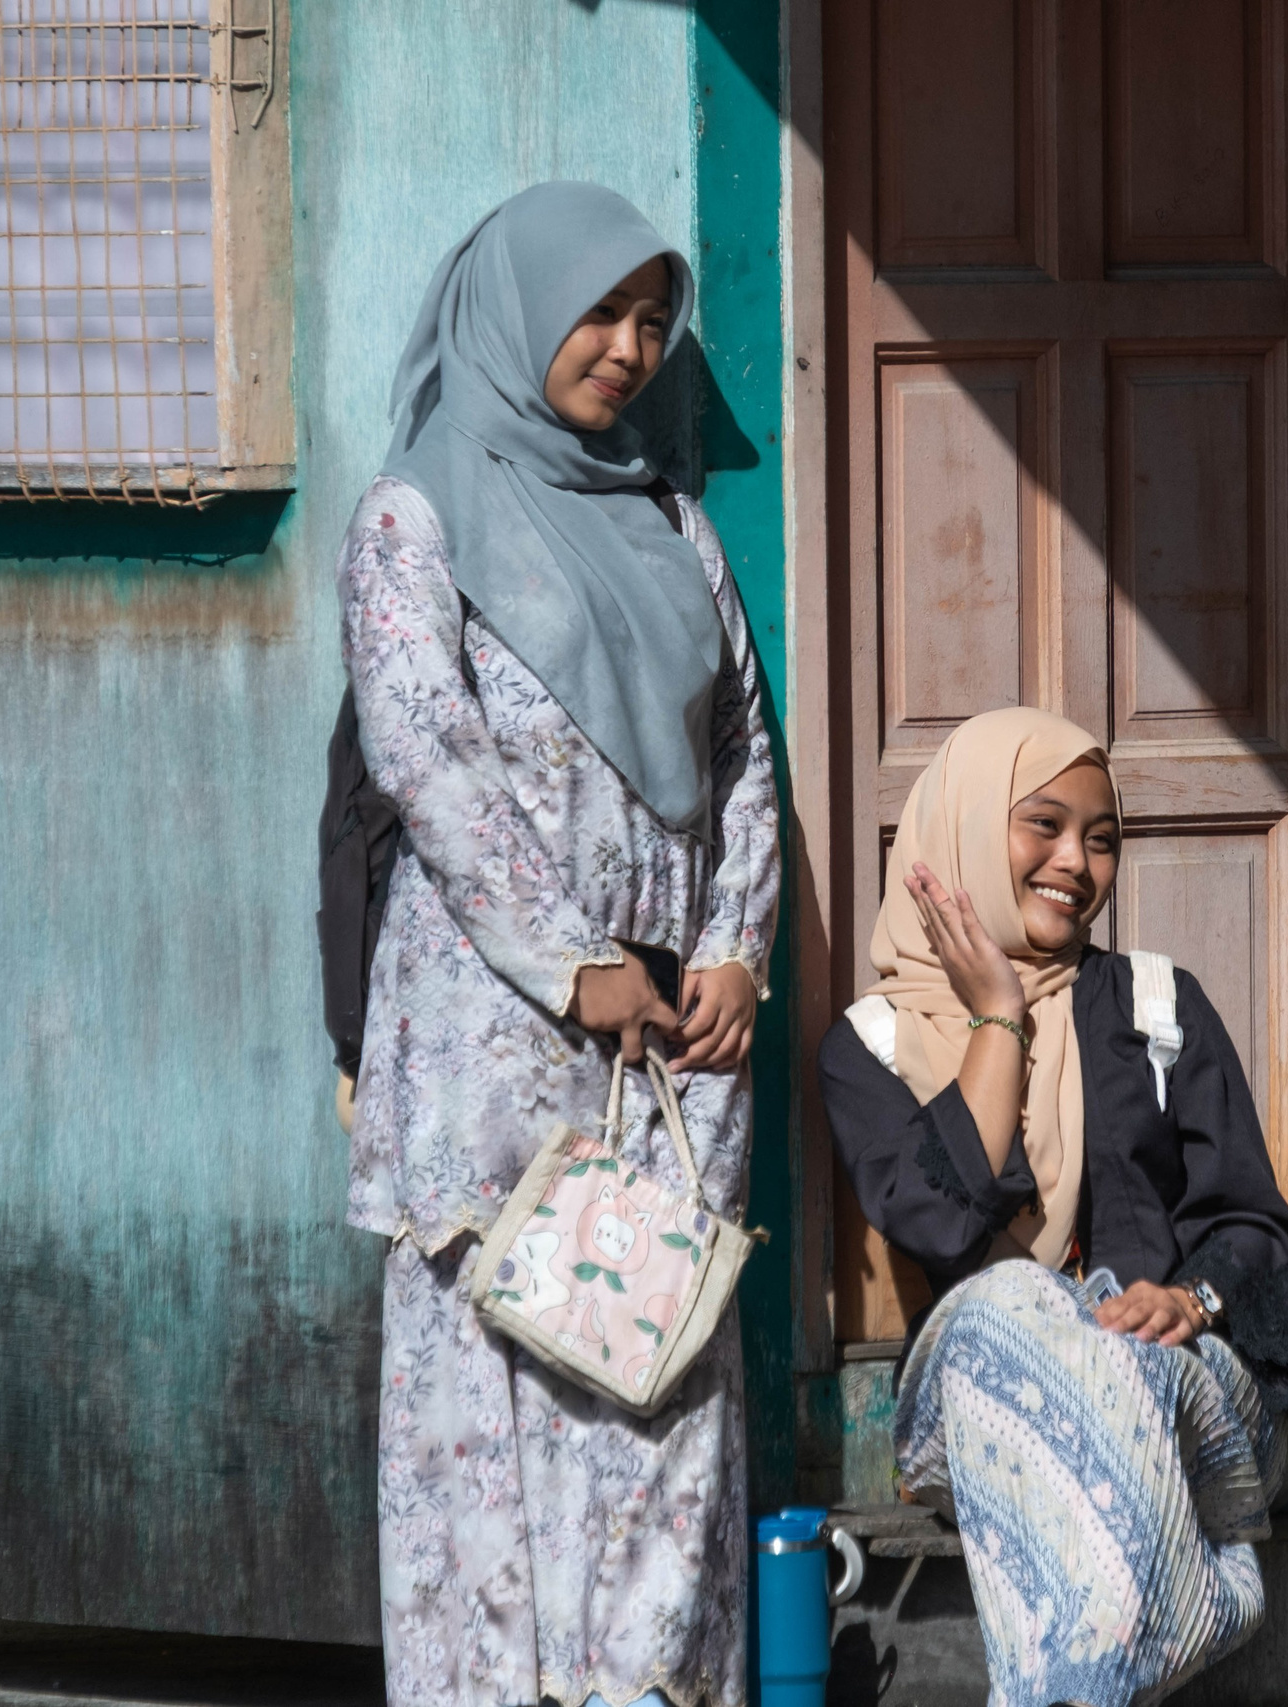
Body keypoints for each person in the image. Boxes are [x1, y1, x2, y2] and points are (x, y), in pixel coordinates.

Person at [339, 181, 778, 1707]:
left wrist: (734, 952)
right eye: (600, 310)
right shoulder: (415, 516)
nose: (629, 345)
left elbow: (743, 757)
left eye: (654, 320)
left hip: (670, 1041)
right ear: (519, 310)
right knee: (495, 1370)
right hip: (497, 1030)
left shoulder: (671, 521)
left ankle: (647, 1684)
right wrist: (568, 959)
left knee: (656, 1361)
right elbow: (426, 760)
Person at [818, 707, 1288, 1707]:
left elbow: (1261, 1236)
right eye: (1041, 824)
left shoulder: (1156, 1008)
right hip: (986, 1414)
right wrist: (997, 1017)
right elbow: (940, 1220)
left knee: (1116, 1361)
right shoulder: (869, 1044)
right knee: (1010, 1304)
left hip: (1180, 1389)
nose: (1077, 864)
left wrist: (1196, 1304)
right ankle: (1189, 1611)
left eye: (1101, 839)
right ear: (959, 828)